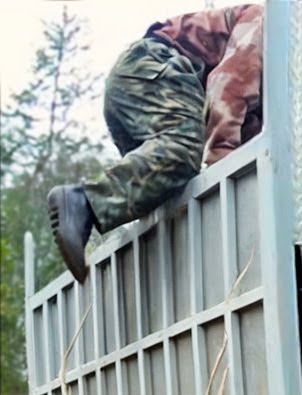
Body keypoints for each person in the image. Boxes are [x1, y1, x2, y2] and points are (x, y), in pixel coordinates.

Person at [46, 4, 264, 284]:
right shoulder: (267, 21)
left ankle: (88, 215)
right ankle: (83, 202)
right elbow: (227, 89)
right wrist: (223, 183)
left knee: (167, 186)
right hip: (156, 67)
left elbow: (246, 135)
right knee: (184, 151)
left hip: (137, 82)